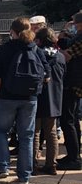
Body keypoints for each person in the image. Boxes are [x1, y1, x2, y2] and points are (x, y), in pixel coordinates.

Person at [0, 17, 50, 184]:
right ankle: (24, 175)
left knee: (1, 131)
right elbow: (47, 76)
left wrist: (4, 91)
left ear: (12, 31)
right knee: (27, 136)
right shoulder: (37, 50)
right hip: (30, 99)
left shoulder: (4, 49)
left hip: (7, 97)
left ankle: (3, 167)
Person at [33, 28, 66, 175]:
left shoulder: (36, 54)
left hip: (38, 97)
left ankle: (32, 163)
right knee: (51, 133)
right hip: (55, 98)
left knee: (35, 132)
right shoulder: (60, 56)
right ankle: (51, 164)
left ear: (38, 41)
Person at [58, 11, 82, 170]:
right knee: (72, 120)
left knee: (68, 120)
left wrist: (55, 55)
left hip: (74, 82)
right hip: (75, 81)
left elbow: (67, 55)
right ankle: (74, 154)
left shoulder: (81, 38)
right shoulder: (78, 37)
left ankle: (74, 158)